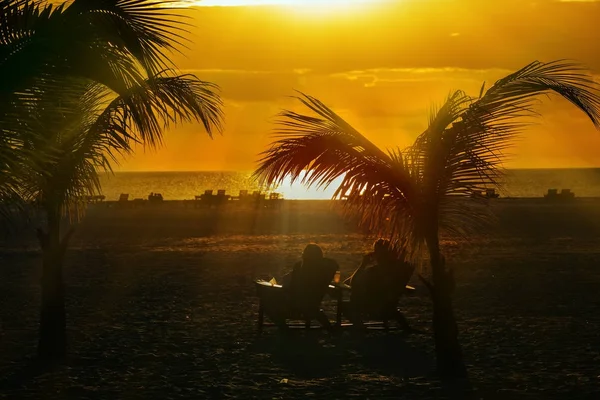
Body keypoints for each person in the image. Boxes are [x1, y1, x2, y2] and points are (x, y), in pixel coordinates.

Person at [264, 244, 338, 331]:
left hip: (295, 304)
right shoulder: (323, 270)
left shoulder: (300, 268)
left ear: (304, 256)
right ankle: (285, 330)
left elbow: (292, 288)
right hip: (312, 305)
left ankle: (284, 329)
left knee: (267, 301)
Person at [347, 239, 415, 331]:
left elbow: (353, 282)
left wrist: (363, 265)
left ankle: (359, 327)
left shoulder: (374, 271)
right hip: (389, 307)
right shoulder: (399, 269)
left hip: (371, 307)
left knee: (348, 306)